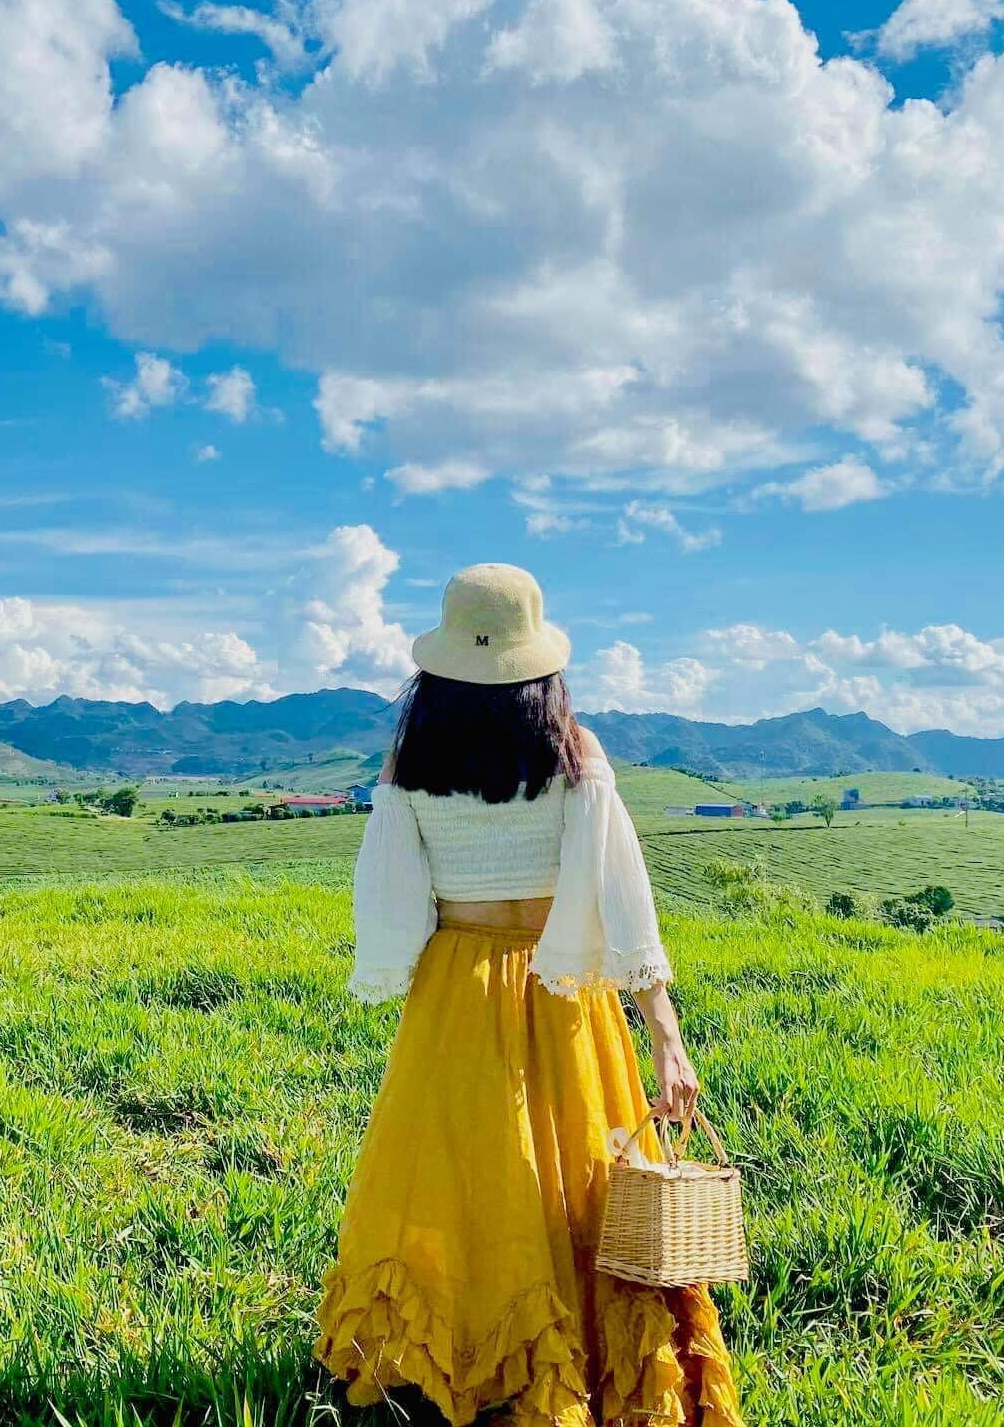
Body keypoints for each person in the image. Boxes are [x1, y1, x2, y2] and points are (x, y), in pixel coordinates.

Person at [314, 564, 743, 1426]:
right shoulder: (576, 753)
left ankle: (457, 1349)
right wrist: (665, 1028)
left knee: (466, 1169)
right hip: (562, 980)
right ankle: (573, 1351)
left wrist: (406, 968)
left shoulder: (410, 759)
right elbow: (625, 894)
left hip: (458, 984)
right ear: (539, 663)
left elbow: (394, 895)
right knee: (580, 1171)